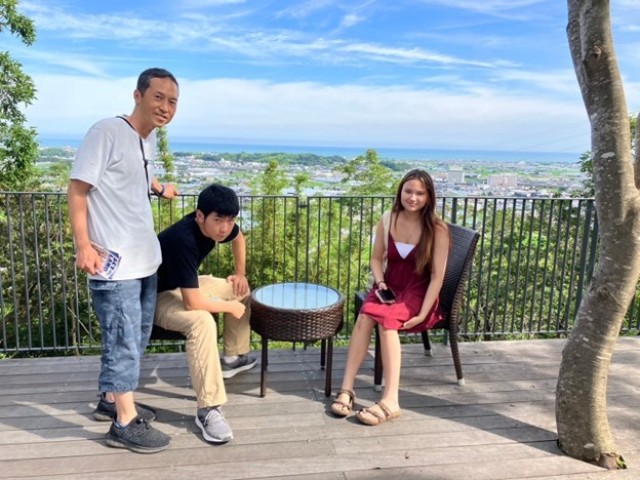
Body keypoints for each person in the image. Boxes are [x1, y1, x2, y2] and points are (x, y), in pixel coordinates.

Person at [67, 67, 179, 453]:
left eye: (172, 101)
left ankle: (112, 399)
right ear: (138, 95)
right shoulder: (107, 132)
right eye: (159, 97)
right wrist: (83, 245)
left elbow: (134, 177)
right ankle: (125, 423)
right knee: (123, 342)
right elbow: (78, 188)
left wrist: (161, 189)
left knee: (136, 336)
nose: (165, 107)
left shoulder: (143, 141)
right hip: (115, 267)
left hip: (144, 261)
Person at [331, 169, 450, 425]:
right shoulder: (388, 219)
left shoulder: (438, 230)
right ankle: (347, 388)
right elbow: (376, 258)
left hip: (418, 292)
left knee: (387, 324)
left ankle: (391, 399)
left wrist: (421, 313)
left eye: (420, 193)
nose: (413, 197)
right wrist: (381, 282)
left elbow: (438, 277)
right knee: (364, 317)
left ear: (429, 197)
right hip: (389, 286)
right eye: (408, 191)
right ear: (400, 192)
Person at [154, 183, 256, 444]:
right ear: (200, 216)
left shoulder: (220, 227)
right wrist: (228, 307)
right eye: (218, 220)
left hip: (182, 286)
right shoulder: (183, 240)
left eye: (230, 219)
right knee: (202, 322)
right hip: (155, 298)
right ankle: (208, 409)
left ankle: (232, 358)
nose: (225, 227)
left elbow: (239, 237)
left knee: (238, 289)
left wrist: (240, 273)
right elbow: (191, 303)